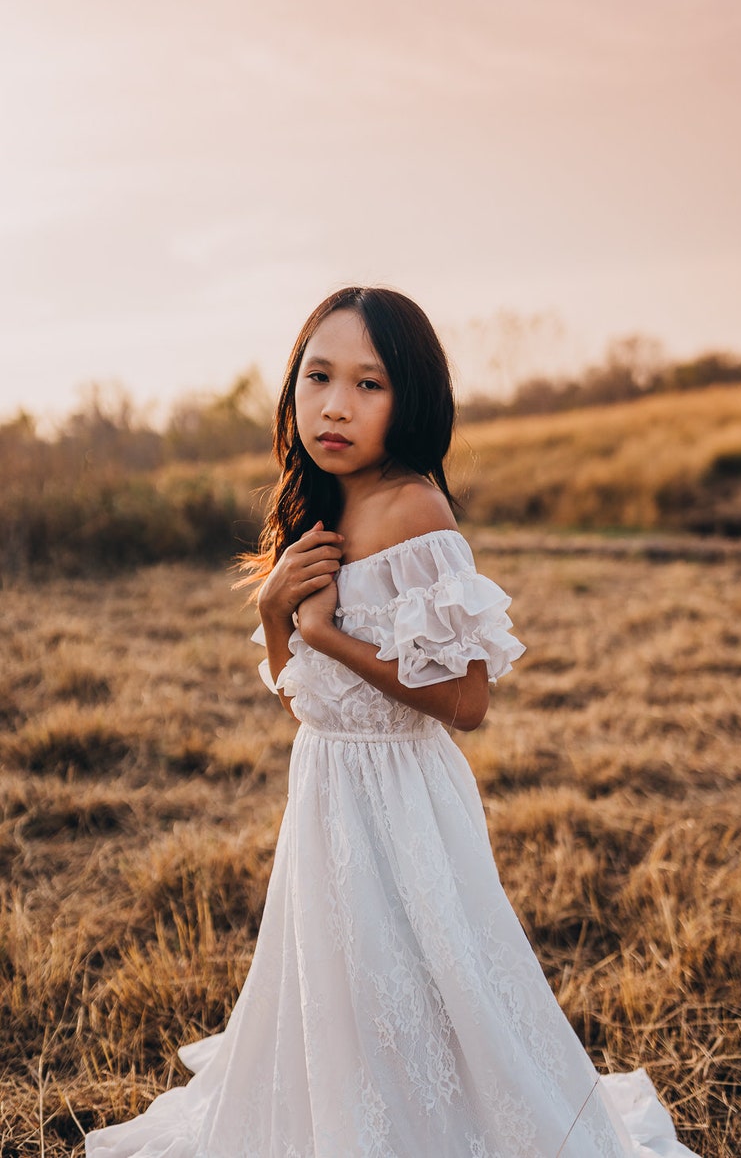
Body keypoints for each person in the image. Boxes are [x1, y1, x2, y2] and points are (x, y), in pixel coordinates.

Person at [86, 287, 698, 1157]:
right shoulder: (321, 504)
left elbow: (469, 703)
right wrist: (273, 615)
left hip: (405, 799)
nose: (334, 405)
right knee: (342, 994)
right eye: (317, 376)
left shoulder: (415, 511)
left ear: (410, 398)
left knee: (426, 987)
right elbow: (313, 703)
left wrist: (328, 633)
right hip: (329, 793)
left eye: (368, 385)